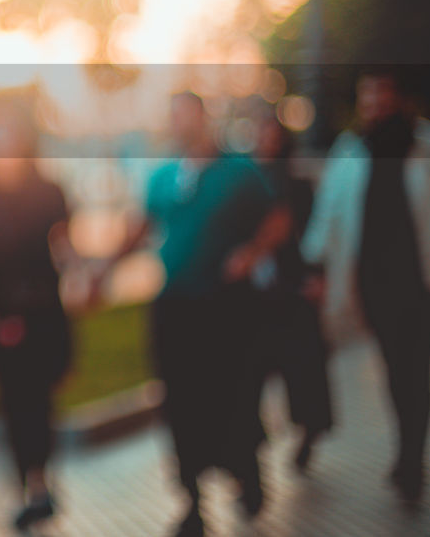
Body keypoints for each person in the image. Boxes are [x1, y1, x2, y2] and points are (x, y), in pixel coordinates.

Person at [91, 92, 286, 537]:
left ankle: (245, 472)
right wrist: (103, 268)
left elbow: (278, 218)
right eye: (175, 118)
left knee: (233, 395)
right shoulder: (163, 177)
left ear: (206, 120)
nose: (183, 126)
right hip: (176, 308)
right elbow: (141, 228)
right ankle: (192, 502)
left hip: (228, 310)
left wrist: (252, 253)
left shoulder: (240, 172)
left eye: (189, 117)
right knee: (179, 402)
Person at [301, 69, 430, 504]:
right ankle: (406, 448)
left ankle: (412, 457)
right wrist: (315, 267)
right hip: (375, 280)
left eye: (383, 94)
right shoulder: (350, 151)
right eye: (368, 96)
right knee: (397, 368)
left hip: (427, 278)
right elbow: (327, 216)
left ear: (400, 97)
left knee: (417, 367)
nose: (375, 103)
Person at [0, 100, 75, 532]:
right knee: (10, 405)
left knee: (38, 403)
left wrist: (90, 276)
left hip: (41, 313)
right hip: (2, 316)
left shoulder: (48, 191)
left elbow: (64, 248)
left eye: (3, 135)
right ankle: (28, 489)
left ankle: (41, 487)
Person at [248, 114, 333, 472]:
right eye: (260, 135)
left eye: (273, 136)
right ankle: (252, 441)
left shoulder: (298, 185)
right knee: (250, 372)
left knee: (302, 369)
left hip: (293, 286)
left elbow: (316, 234)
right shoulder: (245, 184)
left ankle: (309, 431)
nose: (266, 142)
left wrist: (317, 276)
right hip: (254, 295)